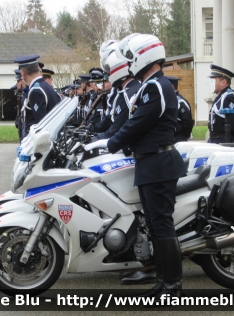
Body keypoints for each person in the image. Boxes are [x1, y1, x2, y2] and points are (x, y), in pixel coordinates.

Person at [85, 33, 186, 299]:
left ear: (144, 56)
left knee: (162, 225)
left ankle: (172, 286)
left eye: (132, 57)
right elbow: (135, 125)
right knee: (154, 225)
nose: (129, 63)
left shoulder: (155, 87)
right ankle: (163, 282)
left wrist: (110, 143)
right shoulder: (152, 85)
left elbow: (137, 123)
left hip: (158, 164)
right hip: (151, 164)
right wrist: (110, 141)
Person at [14, 54, 61, 133]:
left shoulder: (36, 91)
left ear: (23, 72)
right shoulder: (45, 86)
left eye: (21, 73)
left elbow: (41, 123)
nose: (21, 77)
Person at [208, 64, 234, 144]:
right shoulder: (221, 96)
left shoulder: (228, 97)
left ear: (223, 82)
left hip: (224, 141)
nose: (210, 84)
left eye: (213, 80)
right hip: (216, 141)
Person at [166, 76, 194, 142]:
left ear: (172, 87)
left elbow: (187, 121)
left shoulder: (180, 102)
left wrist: (185, 135)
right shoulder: (169, 100)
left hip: (179, 138)